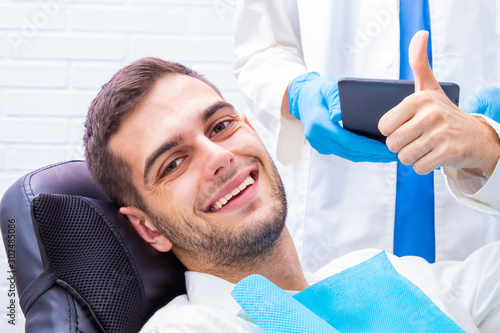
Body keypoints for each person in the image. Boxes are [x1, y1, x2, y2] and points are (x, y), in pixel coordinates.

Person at [83, 32, 500, 332]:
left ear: (252, 129)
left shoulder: (395, 275)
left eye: (221, 125)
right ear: (147, 226)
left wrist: (487, 148)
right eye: (173, 164)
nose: (219, 157)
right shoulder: (189, 328)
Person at [234, 0, 500, 270]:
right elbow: (259, 48)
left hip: (481, 185)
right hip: (340, 197)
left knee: (473, 293)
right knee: (344, 301)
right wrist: (297, 91)